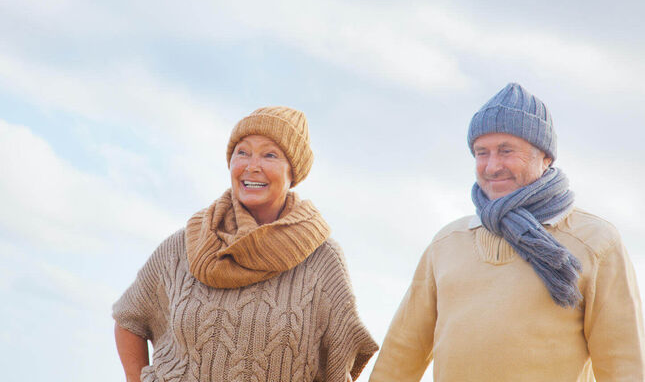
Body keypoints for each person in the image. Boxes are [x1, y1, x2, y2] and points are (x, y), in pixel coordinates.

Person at [369, 83, 645, 381]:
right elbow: (401, 354)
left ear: (546, 157)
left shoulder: (595, 242)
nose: (492, 166)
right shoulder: (447, 244)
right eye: (481, 152)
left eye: (506, 151)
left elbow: (624, 365)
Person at [113, 106, 378, 382]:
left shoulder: (321, 259)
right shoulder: (187, 244)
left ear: (293, 171)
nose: (252, 166)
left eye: (270, 155)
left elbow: (342, 361)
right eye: (243, 152)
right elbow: (129, 319)